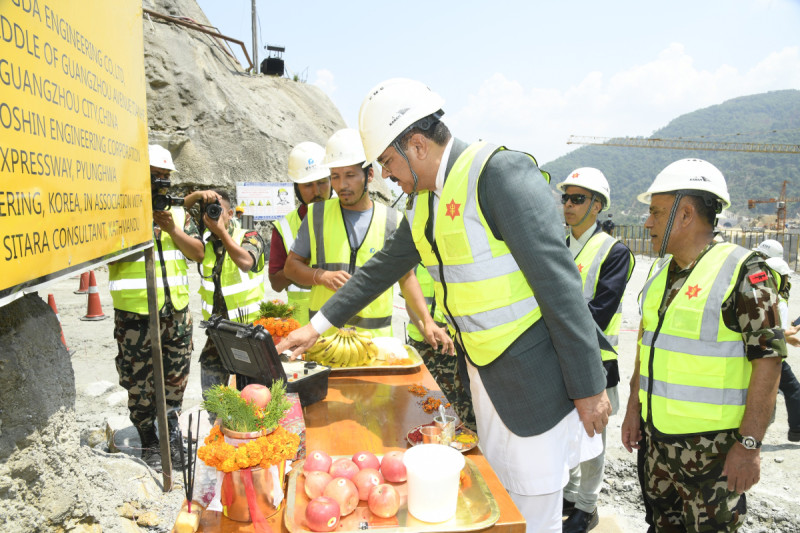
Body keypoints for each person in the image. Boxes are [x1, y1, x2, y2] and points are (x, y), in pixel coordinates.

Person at [278, 79, 610, 533]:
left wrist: (589, 386)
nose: (387, 175)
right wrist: (315, 327)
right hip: (486, 375)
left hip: (537, 381)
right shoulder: (423, 204)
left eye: (389, 162)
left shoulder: (497, 174)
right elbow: (380, 270)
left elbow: (559, 284)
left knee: (535, 512)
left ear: (416, 145)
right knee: (499, 500)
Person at [621, 159, 785, 531]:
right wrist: (634, 408)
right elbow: (647, 347)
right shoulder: (660, 271)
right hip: (658, 443)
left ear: (686, 215)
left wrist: (749, 445)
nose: (647, 222)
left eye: (655, 212)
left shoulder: (744, 273)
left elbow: (769, 361)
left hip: (714, 456)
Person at [284, 128, 444, 342]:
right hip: (324, 340)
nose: (342, 185)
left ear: (369, 175)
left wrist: (427, 321)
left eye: (350, 175)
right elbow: (291, 267)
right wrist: (321, 276)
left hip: (375, 343)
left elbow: (407, 278)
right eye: (335, 177)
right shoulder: (316, 215)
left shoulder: (392, 221)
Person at [109, 145, 204, 470]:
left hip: (175, 316)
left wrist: (171, 229)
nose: (161, 183)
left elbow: (198, 253)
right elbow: (108, 255)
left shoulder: (177, 214)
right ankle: (149, 441)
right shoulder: (119, 212)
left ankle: (171, 435)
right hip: (134, 318)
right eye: (155, 177)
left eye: (165, 178)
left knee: (175, 380)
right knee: (139, 384)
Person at [557, 168, 634, 532]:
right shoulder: (556, 242)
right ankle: (570, 496)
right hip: (557, 356)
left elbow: (600, 312)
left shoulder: (615, 252)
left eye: (577, 199)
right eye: (566, 198)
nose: (568, 205)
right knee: (566, 432)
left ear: (597, 205)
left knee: (591, 435)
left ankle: (588, 506)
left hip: (596, 361)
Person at [183, 189, 266, 394]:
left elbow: (246, 262)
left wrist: (222, 233)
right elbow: (176, 213)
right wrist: (196, 196)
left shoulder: (249, 235)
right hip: (217, 333)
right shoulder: (204, 243)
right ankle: (217, 424)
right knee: (214, 396)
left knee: (250, 395)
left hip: (247, 331)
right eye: (210, 211)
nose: (214, 215)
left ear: (230, 215)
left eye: (219, 211)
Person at [405, 263, 476, 431]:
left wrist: (448, 329)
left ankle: (464, 437)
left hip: (452, 344)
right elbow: (410, 304)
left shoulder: (455, 263)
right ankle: (422, 434)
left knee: (459, 398)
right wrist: (426, 332)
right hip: (420, 343)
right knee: (418, 396)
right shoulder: (414, 265)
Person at [269, 142, 331, 325]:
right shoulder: (284, 226)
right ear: (297, 188)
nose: (317, 191)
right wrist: (295, 265)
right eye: (308, 185)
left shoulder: (349, 217)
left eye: (322, 183)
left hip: (340, 329)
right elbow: (276, 284)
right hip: (301, 328)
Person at [754, 240, 800, 442]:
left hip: (766, 347)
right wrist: (785, 336)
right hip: (768, 351)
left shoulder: (757, 281)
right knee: (789, 390)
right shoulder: (769, 289)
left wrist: (785, 335)